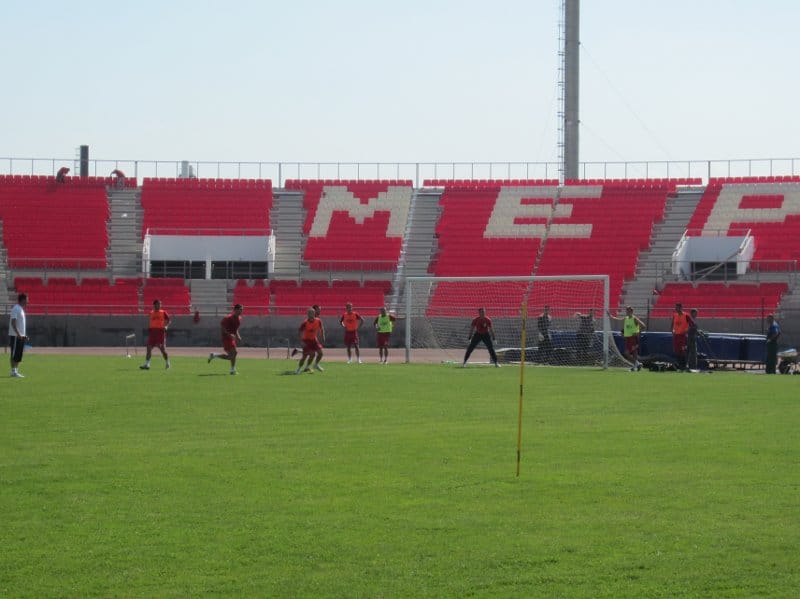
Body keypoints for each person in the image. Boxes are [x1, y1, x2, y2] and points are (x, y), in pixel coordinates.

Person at [208, 304, 244, 375]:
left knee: (232, 355)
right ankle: (232, 369)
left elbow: (235, 329)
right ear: (235, 310)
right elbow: (223, 328)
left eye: (242, 309)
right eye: (240, 309)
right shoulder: (228, 318)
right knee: (234, 353)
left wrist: (238, 336)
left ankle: (232, 369)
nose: (241, 311)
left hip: (231, 338)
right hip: (226, 338)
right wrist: (229, 335)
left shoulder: (239, 318)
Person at [608, 306, 646, 371]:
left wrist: (637, 332)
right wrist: (611, 316)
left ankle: (636, 364)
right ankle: (636, 365)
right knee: (633, 353)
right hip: (628, 338)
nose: (627, 312)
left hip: (633, 338)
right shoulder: (626, 318)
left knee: (627, 353)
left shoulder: (635, 319)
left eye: (628, 311)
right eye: (626, 311)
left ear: (631, 312)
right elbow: (618, 319)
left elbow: (643, 326)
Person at [140, 299, 171, 370]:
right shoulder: (151, 313)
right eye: (158, 304)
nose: (159, 305)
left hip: (160, 332)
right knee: (148, 348)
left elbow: (169, 320)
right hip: (152, 333)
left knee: (162, 349)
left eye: (160, 304)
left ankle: (167, 362)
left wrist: (166, 326)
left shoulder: (163, 312)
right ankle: (147, 364)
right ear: (154, 305)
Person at [296, 307, 325, 373]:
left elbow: (322, 328)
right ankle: (298, 368)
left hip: (314, 340)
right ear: (307, 314)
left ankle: (315, 365)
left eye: (312, 313)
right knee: (306, 356)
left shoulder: (318, 321)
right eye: (309, 313)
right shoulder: (305, 323)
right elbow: (299, 332)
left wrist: (323, 336)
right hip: (306, 340)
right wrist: (301, 341)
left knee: (320, 353)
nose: (310, 314)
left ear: (314, 314)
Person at [9, 293, 28, 378]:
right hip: (16, 336)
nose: (28, 301)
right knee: (14, 354)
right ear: (23, 299)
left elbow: (21, 324)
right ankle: (13, 371)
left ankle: (16, 371)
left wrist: (24, 335)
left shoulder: (21, 309)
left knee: (18, 354)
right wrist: (18, 334)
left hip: (20, 336)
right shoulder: (16, 308)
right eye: (27, 299)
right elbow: (13, 322)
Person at [672, 302, 693, 370]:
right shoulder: (674, 315)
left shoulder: (686, 315)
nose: (676, 309)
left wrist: (687, 330)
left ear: (681, 308)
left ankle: (685, 365)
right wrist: (672, 330)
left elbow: (692, 324)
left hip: (683, 336)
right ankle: (680, 365)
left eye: (677, 307)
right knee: (677, 351)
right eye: (676, 307)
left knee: (683, 351)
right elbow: (672, 324)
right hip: (676, 336)